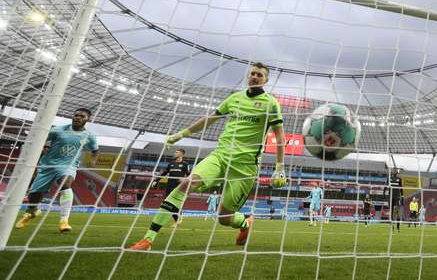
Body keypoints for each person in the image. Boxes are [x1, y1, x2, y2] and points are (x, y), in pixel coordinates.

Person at [128, 62, 287, 250]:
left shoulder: (271, 103)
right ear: (248, 76)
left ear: (266, 80)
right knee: (187, 183)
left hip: (245, 166)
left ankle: (245, 223)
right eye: (252, 73)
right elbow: (208, 120)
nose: (255, 77)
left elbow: (279, 136)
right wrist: (181, 134)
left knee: (224, 218)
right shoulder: (234, 99)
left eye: (259, 75)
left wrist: (279, 168)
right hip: (220, 156)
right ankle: (148, 239)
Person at [15, 108, 99, 233]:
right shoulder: (58, 130)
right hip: (47, 165)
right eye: (76, 115)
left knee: (65, 184)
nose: (78, 118)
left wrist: (93, 160)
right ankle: (31, 212)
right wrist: (43, 147)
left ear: (88, 119)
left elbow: (95, 150)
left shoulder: (89, 136)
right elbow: (41, 139)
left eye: (82, 116)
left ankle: (64, 221)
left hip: (68, 166)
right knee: (35, 194)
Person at [152, 148, 190, 227]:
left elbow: (190, 175)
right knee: (167, 203)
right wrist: (156, 180)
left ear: (182, 154)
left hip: (178, 187)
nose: (175, 153)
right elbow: (164, 173)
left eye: (177, 152)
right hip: (169, 186)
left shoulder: (185, 164)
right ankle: (178, 217)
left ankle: (177, 220)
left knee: (172, 203)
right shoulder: (171, 164)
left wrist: (184, 180)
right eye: (175, 152)